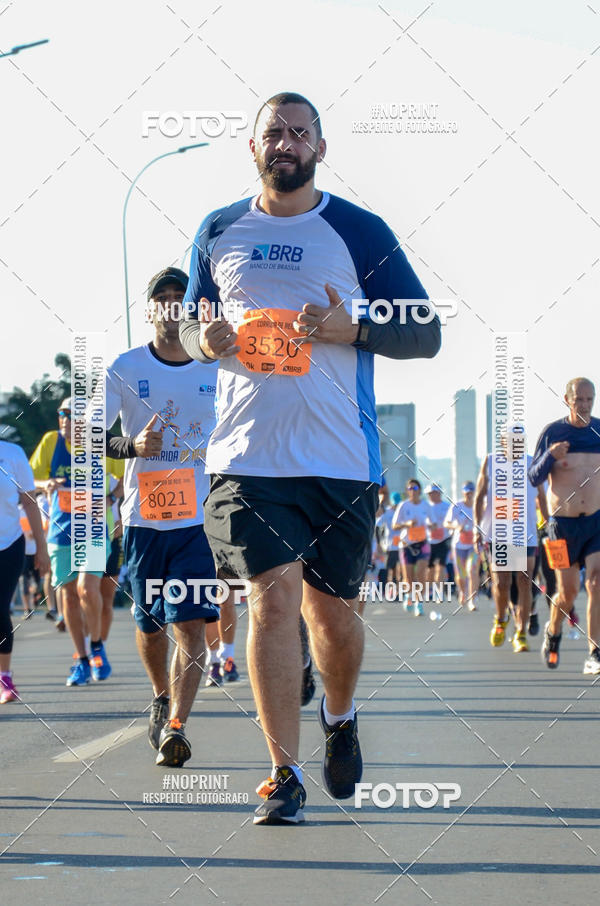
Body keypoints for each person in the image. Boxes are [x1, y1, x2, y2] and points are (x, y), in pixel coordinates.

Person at [180, 91, 441, 824]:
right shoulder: (218, 229)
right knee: (272, 598)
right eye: (274, 132)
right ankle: (282, 776)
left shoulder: (359, 231)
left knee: (332, 618)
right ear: (253, 147)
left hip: (339, 459)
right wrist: (210, 342)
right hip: (247, 457)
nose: (286, 143)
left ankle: (341, 712)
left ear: (320, 149)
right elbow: (196, 326)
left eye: (300, 133)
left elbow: (424, 332)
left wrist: (349, 327)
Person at [104, 267, 222, 766]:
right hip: (144, 521)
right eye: (162, 298)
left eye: (181, 297)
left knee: (190, 625)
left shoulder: (216, 368)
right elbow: (89, 438)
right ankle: (160, 696)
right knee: (151, 624)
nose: (172, 305)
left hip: (200, 522)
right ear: (148, 310)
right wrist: (133, 446)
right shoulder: (124, 368)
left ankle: (177, 725)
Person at [30, 400, 118, 685]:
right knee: (67, 595)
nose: (66, 420)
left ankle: (96, 646)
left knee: (86, 588)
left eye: (73, 416)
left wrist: (111, 498)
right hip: (59, 532)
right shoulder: (50, 442)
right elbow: (29, 479)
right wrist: (46, 485)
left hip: (93, 530)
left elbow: (127, 473)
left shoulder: (99, 443)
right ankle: (81, 659)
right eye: (62, 414)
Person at [528, 377, 600, 674]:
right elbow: (533, 477)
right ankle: (553, 631)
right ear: (567, 400)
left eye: (589, 400)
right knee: (567, 592)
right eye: (578, 400)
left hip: (596, 522)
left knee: (596, 583)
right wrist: (549, 456)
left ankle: (594, 652)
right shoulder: (553, 432)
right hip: (560, 526)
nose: (584, 405)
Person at [474, 436, 546, 652]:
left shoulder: (532, 462)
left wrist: (549, 522)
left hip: (526, 532)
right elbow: (478, 496)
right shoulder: (491, 461)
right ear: (502, 443)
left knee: (525, 580)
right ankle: (501, 618)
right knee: (502, 582)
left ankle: (521, 633)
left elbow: (541, 496)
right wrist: (477, 527)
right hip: (499, 533)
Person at [0, 440, 50, 703]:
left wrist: (41, 549)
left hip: (9, 545)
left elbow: (30, 502)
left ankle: (4, 677)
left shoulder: (12, 454)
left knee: (0, 609)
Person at [392, 479, 430, 615]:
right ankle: (408, 595)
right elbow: (394, 525)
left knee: (420, 574)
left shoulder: (425, 505)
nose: (411, 491)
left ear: (419, 490)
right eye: (409, 488)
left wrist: (432, 526)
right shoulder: (403, 506)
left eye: (414, 488)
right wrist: (407, 524)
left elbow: (434, 523)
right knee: (408, 577)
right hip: (407, 544)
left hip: (423, 544)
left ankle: (419, 604)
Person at [445, 482, 478, 609]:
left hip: (474, 545)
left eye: (471, 492)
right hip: (458, 545)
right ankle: (462, 592)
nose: (469, 494)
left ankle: (472, 600)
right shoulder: (457, 506)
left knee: (472, 571)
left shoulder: (478, 505)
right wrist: (457, 526)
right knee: (461, 575)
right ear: (463, 492)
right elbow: (446, 523)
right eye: (466, 492)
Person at [425, 484, 450, 586]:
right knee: (429, 567)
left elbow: (450, 521)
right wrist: (429, 526)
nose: (432, 495)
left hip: (444, 540)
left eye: (434, 493)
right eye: (430, 493)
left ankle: (438, 590)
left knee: (441, 566)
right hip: (428, 541)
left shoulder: (447, 506)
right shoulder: (425, 506)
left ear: (439, 493)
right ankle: (429, 589)